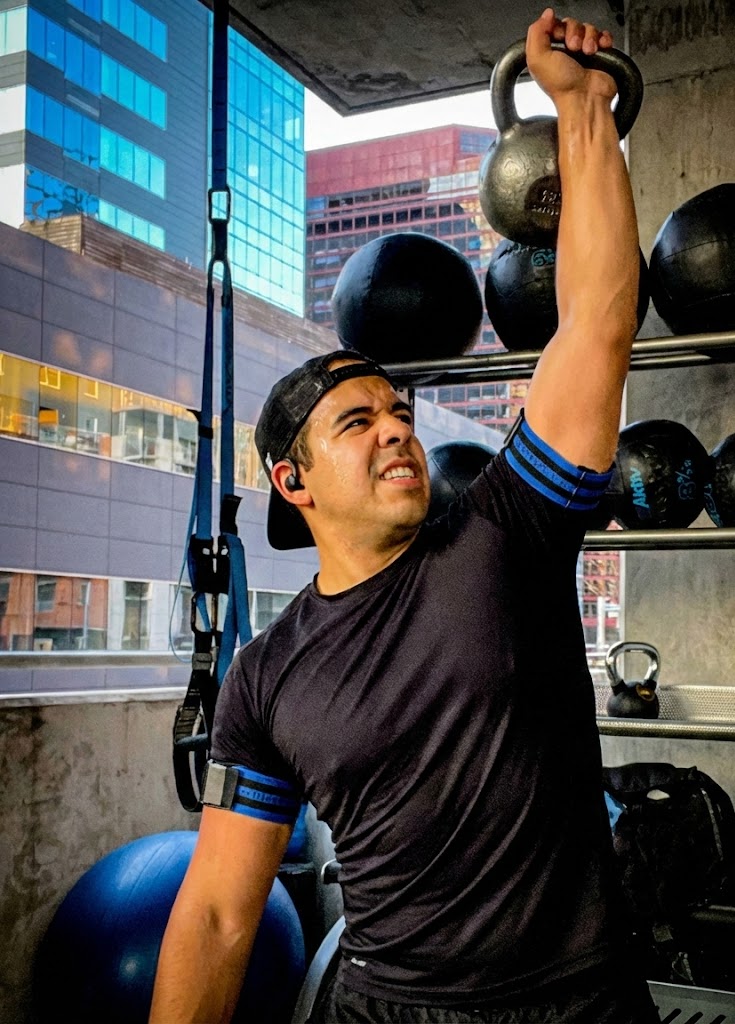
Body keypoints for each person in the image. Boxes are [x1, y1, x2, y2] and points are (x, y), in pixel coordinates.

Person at [150, 8, 658, 1023]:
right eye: (355, 421)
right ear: (292, 481)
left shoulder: (503, 538)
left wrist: (582, 106)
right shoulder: (265, 675)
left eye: (399, 410)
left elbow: (597, 320)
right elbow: (215, 911)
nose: (396, 430)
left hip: (576, 1005)